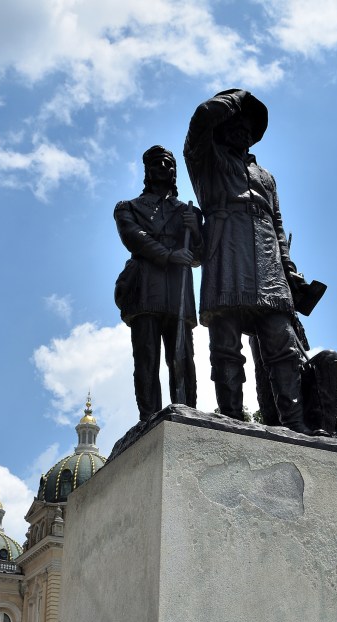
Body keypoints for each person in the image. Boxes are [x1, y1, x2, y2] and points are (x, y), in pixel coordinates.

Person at [183, 88, 310, 434]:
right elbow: (201, 119)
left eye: (249, 125)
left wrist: (289, 269)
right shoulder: (206, 160)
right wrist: (238, 98)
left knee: (283, 345)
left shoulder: (265, 176)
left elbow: (278, 224)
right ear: (223, 125)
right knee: (225, 344)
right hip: (226, 251)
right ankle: (232, 418)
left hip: (269, 263)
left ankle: (295, 423)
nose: (243, 128)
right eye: (236, 121)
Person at [114, 145, 202, 421]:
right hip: (145, 287)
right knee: (146, 356)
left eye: (168, 164)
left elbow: (200, 255)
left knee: (182, 357)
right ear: (147, 171)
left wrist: (196, 230)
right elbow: (134, 238)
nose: (163, 168)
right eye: (157, 164)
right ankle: (149, 417)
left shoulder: (188, 211)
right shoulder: (128, 207)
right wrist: (168, 255)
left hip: (178, 289)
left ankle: (187, 414)